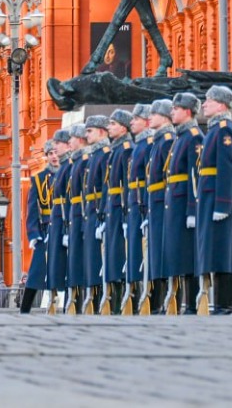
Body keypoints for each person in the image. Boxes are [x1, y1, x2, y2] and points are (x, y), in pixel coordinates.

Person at [195, 85, 232, 315]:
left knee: (225, 252)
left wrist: (223, 203)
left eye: (209, 100)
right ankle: (219, 304)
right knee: (215, 249)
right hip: (209, 195)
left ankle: (225, 305)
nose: (204, 104)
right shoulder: (213, 130)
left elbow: (227, 167)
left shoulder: (225, 130)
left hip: (220, 198)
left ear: (221, 104)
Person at [164, 93, 203, 314]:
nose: (172, 112)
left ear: (187, 111)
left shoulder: (194, 136)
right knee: (181, 253)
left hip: (184, 203)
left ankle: (192, 303)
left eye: (175, 109)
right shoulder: (182, 137)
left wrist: (191, 209)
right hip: (175, 203)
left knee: (189, 255)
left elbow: (194, 176)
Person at [145, 100, 176, 313]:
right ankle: (157, 305)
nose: (150, 117)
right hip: (154, 203)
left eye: (153, 114)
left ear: (164, 117)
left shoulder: (166, 141)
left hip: (163, 202)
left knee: (165, 256)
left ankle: (166, 303)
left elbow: (170, 175)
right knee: (156, 256)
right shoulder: (158, 141)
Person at [20, 140, 58, 313]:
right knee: (36, 271)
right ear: (47, 156)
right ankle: (25, 309)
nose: (54, 157)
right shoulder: (38, 179)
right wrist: (34, 234)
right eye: (50, 153)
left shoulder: (68, 172)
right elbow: (32, 208)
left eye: (56, 152)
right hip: (45, 230)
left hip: (65, 228)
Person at [102, 109, 134, 313]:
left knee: (120, 257)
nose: (109, 127)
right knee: (113, 257)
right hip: (111, 207)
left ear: (123, 127)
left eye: (112, 124)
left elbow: (127, 183)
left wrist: (124, 213)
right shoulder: (115, 150)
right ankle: (115, 305)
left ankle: (124, 303)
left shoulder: (126, 149)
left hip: (119, 206)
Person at [81, 115, 112, 313]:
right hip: (91, 212)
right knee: (92, 259)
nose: (86, 135)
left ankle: (106, 300)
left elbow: (106, 187)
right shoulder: (94, 156)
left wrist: (102, 214)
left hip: (102, 211)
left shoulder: (105, 154)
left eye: (90, 131)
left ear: (101, 132)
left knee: (103, 260)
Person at [125, 105, 154, 312]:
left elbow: (149, 178)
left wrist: (145, 207)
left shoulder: (148, 145)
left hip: (144, 204)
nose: (132, 122)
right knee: (135, 255)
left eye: (136, 118)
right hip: (134, 204)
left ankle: (152, 300)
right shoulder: (138, 146)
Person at [45, 130, 73, 312]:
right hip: (56, 221)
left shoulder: (69, 166)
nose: (54, 152)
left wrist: (66, 227)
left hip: (67, 220)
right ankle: (55, 299)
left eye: (57, 147)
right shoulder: (60, 169)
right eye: (51, 151)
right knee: (55, 263)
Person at [64, 124, 88, 312]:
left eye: (71, 138)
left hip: (84, 215)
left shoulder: (85, 160)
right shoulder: (76, 163)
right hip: (76, 217)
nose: (68, 142)